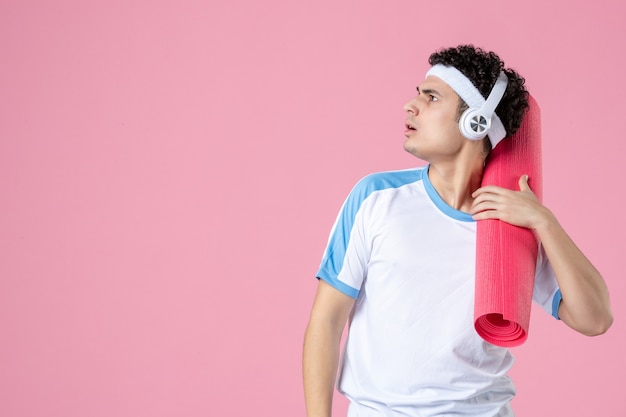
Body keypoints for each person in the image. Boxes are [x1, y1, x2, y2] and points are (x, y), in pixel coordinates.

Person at [302, 45, 613, 417]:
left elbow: (595, 319)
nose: (410, 106)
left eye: (431, 97)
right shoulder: (375, 199)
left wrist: (544, 221)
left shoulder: (513, 224)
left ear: (475, 123)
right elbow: (327, 321)